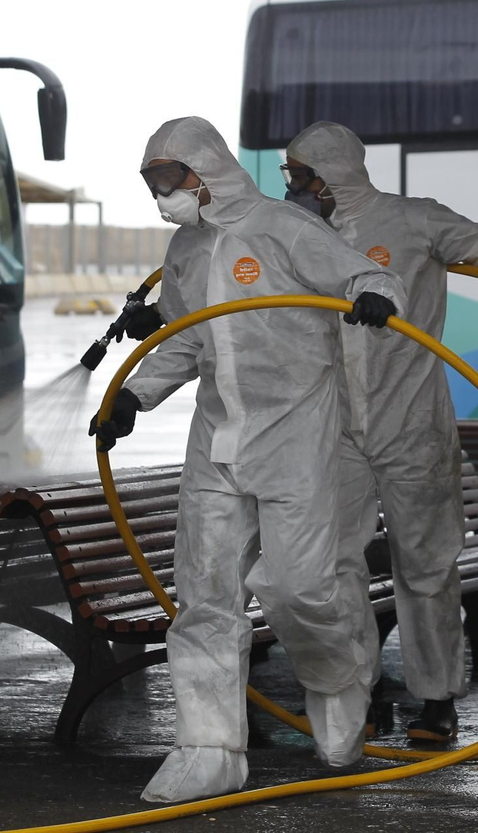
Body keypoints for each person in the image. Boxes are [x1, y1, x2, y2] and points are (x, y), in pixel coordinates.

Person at [90, 116, 407, 803]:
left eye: (169, 179)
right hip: (218, 438)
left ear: (204, 170)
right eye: (152, 183)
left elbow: (366, 274)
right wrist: (133, 395)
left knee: (298, 586)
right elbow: (183, 338)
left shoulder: (285, 230)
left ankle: (339, 678)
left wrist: (375, 295)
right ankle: (209, 746)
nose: (161, 195)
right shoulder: (186, 250)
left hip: (296, 430)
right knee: (204, 594)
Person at [282, 120, 478, 746]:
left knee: (426, 566)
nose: (291, 188)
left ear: (330, 176)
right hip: (334, 425)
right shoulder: (295, 239)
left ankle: (435, 701)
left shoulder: (411, 221)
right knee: (336, 564)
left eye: (299, 176)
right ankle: (359, 690)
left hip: (412, 424)